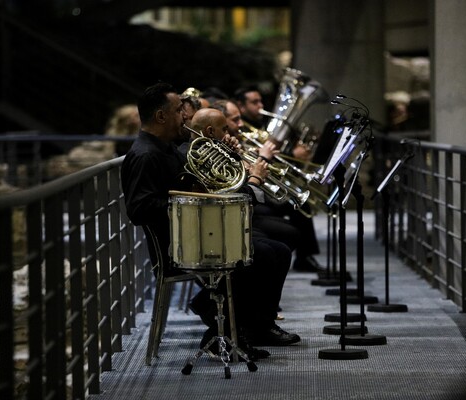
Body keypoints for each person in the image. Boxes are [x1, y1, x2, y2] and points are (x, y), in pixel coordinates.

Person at [121, 84, 300, 361]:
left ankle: (255, 326)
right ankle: (220, 331)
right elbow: (139, 209)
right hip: (179, 246)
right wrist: (190, 201)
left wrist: (224, 152)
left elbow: (207, 180)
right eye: (179, 110)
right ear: (160, 116)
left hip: (200, 235)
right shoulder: (146, 155)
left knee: (279, 250)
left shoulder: (167, 148)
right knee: (261, 255)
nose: (185, 116)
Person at [220, 94, 327, 273]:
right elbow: (238, 185)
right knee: (289, 227)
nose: (239, 124)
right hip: (244, 206)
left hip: (250, 199)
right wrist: (261, 159)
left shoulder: (239, 136)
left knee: (298, 208)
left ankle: (301, 258)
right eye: (235, 119)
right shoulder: (222, 144)